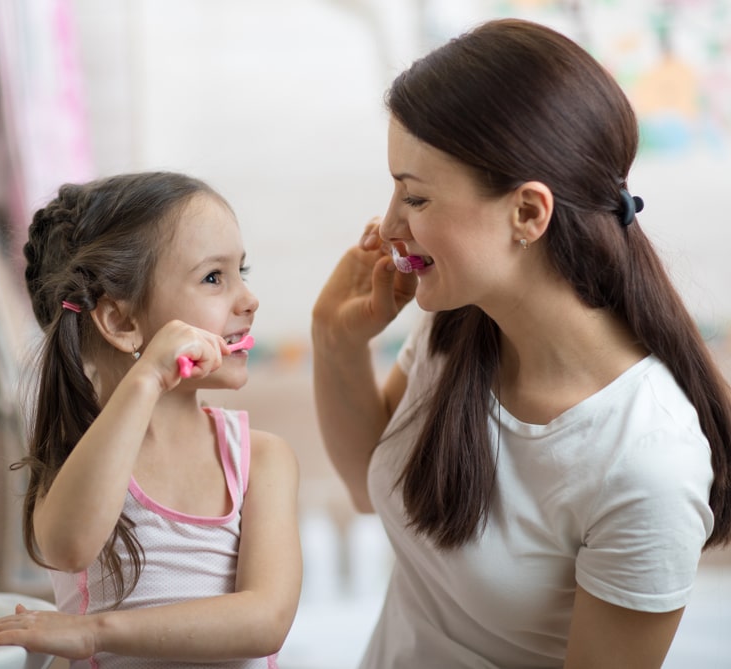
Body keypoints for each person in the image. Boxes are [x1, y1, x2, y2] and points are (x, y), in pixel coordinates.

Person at [312, 18, 731, 669]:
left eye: (415, 196)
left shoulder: (647, 465)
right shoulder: (457, 329)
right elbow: (372, 488)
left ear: (529, 213)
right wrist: (336, 339)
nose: (389, 224)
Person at [0, 171, 301, 667]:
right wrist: (147, 379)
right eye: (214, 278)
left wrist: (93, 634)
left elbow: (265, 621)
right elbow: (67, 546)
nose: (248, 300)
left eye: (242, 273)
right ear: (122, 322)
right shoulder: (85, 453)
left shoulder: (262, 460)